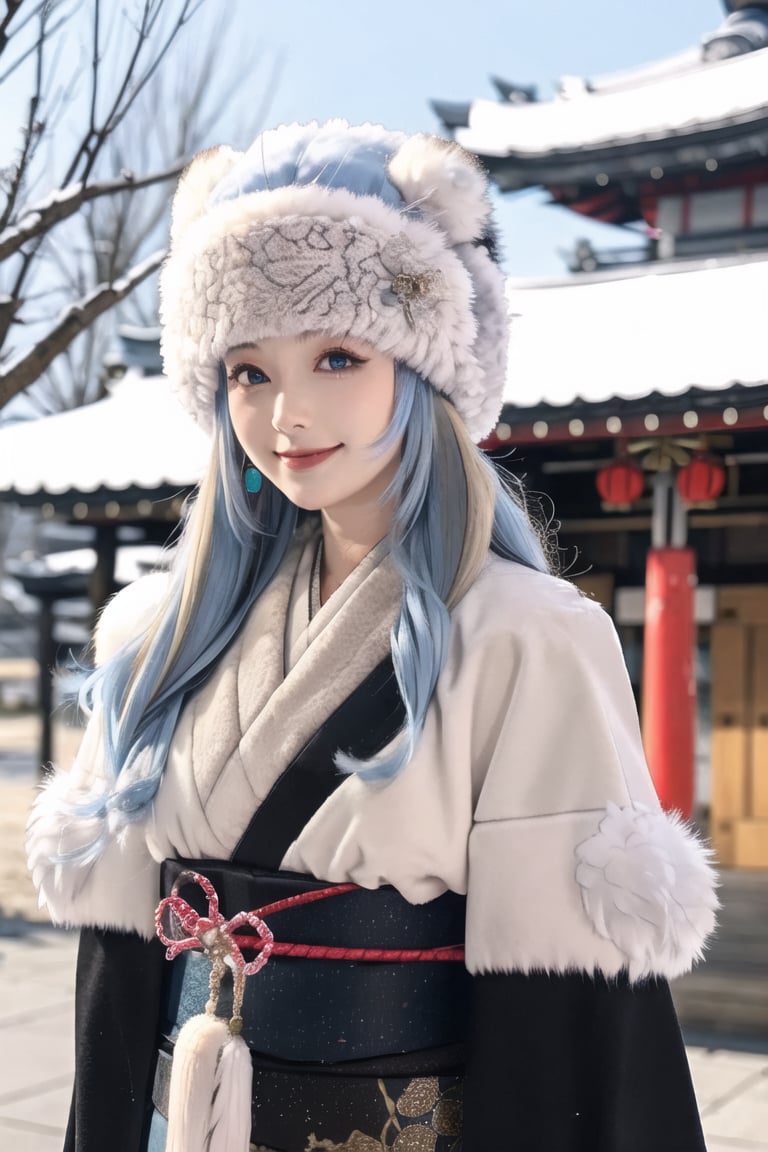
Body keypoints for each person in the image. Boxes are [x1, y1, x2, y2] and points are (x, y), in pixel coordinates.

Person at [28, 121, 717, 1152]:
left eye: (338, 356)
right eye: (248, 372)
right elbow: (117, 976)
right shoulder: (154, 632)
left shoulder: (529, 636)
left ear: (428, 372)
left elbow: (563, 1028)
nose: (285, 412)